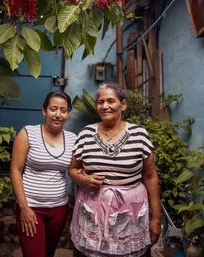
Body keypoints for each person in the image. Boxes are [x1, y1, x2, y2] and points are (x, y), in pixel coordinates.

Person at [68, 82, 161, 257]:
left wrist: (156, 218)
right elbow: (73, 169)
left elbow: (150, 176)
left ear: (123, 105)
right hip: (93, 210)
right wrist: (85, 180)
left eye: (110, 101)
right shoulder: (86, 134)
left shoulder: (139, 134)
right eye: (100, 102)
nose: (105, 106)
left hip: (129, 212)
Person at [10, 91, 77, 257]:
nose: (58, 114)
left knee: (48, 253)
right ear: (44, 111)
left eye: (63, 110)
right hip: (32, 208)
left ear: (68, 114)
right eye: (53, 109)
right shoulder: (28, 134)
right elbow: (15, 171)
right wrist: (24, 207)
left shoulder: (73, 139)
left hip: (59, 209)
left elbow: (76, 171)